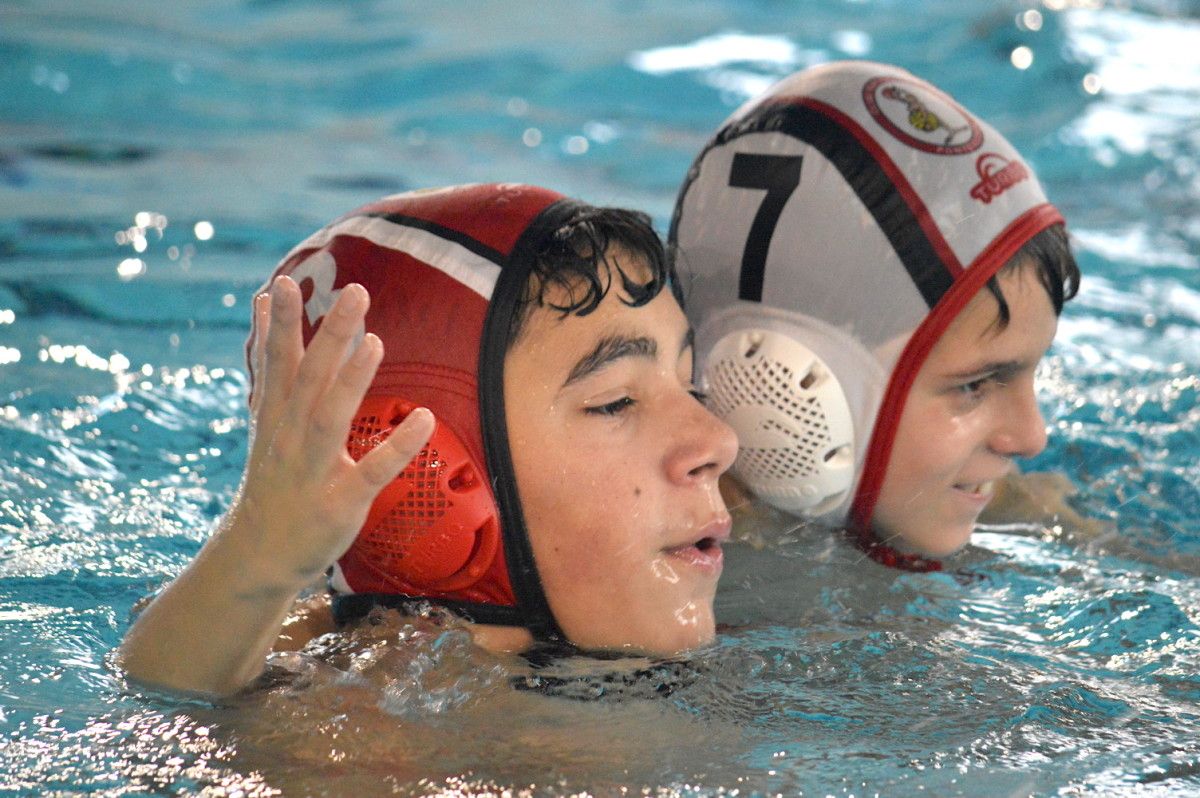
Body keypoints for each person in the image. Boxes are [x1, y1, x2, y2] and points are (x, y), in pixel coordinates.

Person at [117, 183, 738, 696]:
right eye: (616, 401)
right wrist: (261, 554)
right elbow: (162, 699)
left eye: (691, 386)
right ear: (417, 476)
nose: (716, 441)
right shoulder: (358, 739)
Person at [670, 60, 1082, 570]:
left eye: (1031, 370)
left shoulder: (1012, 504)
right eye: (975, 385)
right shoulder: (651, 606)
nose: (1031, 438)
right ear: (778, 377)